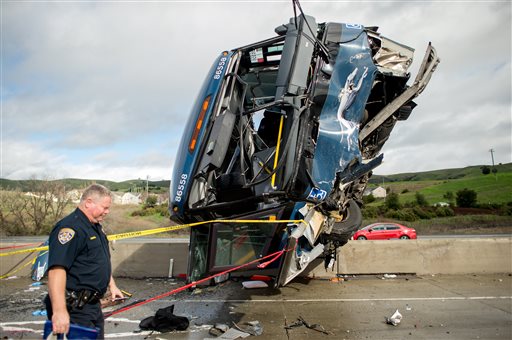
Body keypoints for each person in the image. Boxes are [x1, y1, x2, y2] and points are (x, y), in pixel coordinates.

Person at [44, 184, 123, 338]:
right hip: (75, 309)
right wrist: (59, 311)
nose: (107, 212)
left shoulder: (95, 227)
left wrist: (112, 285)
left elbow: (99, 261)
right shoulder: (70, 228)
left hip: (92, 306)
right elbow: (56, 271)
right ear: (88, 202)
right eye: (104, 207)